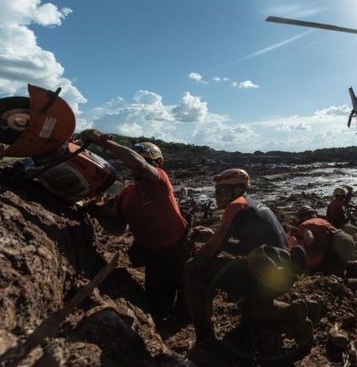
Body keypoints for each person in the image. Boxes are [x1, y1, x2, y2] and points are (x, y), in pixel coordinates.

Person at [183, 168, 311, 347]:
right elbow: (247, 246)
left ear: (236, 190)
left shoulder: (236, 206)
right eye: (216, 191)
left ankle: (205, 338)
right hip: (280, 273)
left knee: (193, 268)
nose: (216, 196)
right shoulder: (255, 205)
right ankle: (289, 314)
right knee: (252, 311)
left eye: (220, 191)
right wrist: (222, 241)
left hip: (264, 275)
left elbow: (210, 251)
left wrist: (198, 251)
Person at [79, 130, 190, 320]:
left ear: (158, 163)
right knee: (158, 310)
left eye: (149, 161)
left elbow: (137, 163)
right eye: (141, 160)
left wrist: (102, 142)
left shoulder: (160, 180)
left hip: (179, 251)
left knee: (188, 306)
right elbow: (116, 229)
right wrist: (93, 208)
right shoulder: (127, 194)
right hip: (155, 258)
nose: (141, 166)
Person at [291, 206, 355, 275]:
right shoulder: (320, 220)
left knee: (332, 272)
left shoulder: (303, 226)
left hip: (337, 243)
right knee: (341, 266)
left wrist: (306, 251)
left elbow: (310, 239)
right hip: (345, 237)